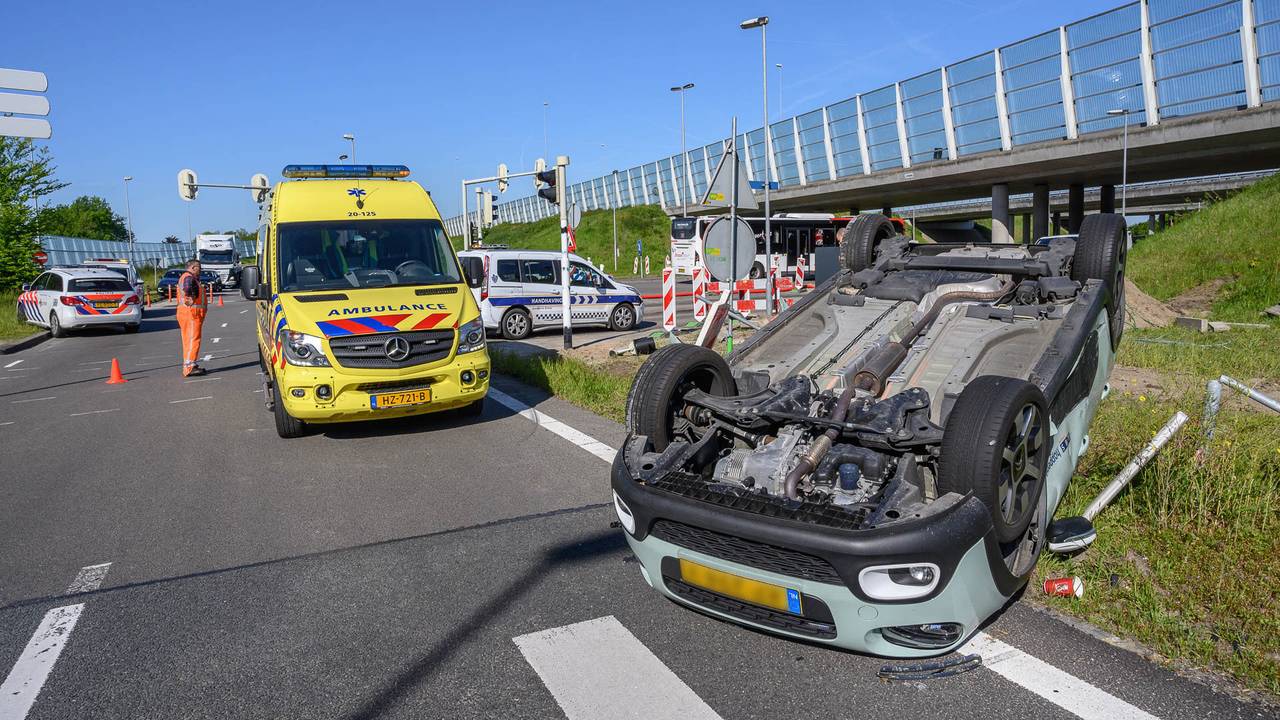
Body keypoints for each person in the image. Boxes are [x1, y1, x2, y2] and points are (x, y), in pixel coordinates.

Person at [176, 259, 207, 377]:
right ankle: (189, 367)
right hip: (191, 313)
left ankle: (190, 363)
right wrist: (191, 297)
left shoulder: (187, 277)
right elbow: (188, 288)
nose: (200, 270)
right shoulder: (188, 277)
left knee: (189, 340)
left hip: (188, 313)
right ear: (193, 267)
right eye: (199, 267)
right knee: (193, 339)